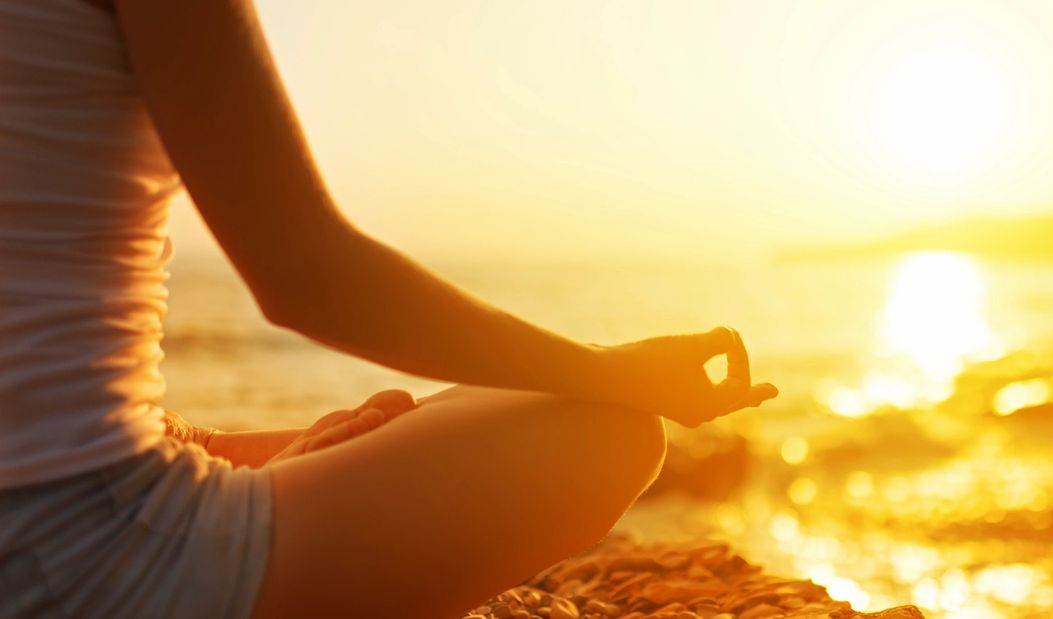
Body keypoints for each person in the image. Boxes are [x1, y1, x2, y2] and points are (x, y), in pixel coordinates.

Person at [0, 1, 777, 618]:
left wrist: (234, 449)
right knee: (607, 431)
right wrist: (614, 370)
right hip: (89, 564)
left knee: (400, 420)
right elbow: (308, 275)